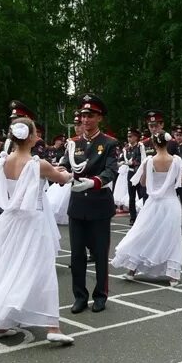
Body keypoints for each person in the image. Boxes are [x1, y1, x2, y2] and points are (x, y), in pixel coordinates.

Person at [0, 118, 74, 344]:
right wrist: (66, 174)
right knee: (42, 269)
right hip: (32, 221)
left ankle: (0, 324)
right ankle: (53, 326)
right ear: (30, 137)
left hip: (9, 221)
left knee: (8, 267)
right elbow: (62, 178)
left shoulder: (4, 161)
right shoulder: (37, 164)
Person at [59, 93, 119, 314]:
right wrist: (62, 173)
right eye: (83, 115)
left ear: (99, 118)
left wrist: (93, 182)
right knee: (76, 255)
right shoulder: (73, 143)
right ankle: (79, 296)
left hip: (99, 204)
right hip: (77, 206)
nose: (85, 120)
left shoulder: (109, 143)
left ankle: (100, 295)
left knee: (101, 254)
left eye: (90, 116)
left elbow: (111, 170)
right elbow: (64, 164)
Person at [112, 131, 182, 286]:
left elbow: (144, 183)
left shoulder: (149, 161)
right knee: (171, 237)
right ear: (168, 143)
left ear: (154, 144)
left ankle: (132, 269)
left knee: (144, 232)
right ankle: (173, 275)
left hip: (153, 203)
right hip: (171, 202)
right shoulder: (177, 161)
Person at [125, 126, 144, 224]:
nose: (129, 138)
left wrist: (133, 162)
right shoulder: (127, 148)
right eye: (128, 136)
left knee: (141, 195)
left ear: (136, 137)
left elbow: (141, 159)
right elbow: (122, 159)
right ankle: (133, 217)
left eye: (131, 136)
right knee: (131, 196)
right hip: (131, 172)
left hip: (139, 173)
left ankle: (142, 216)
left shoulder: (140, 147)